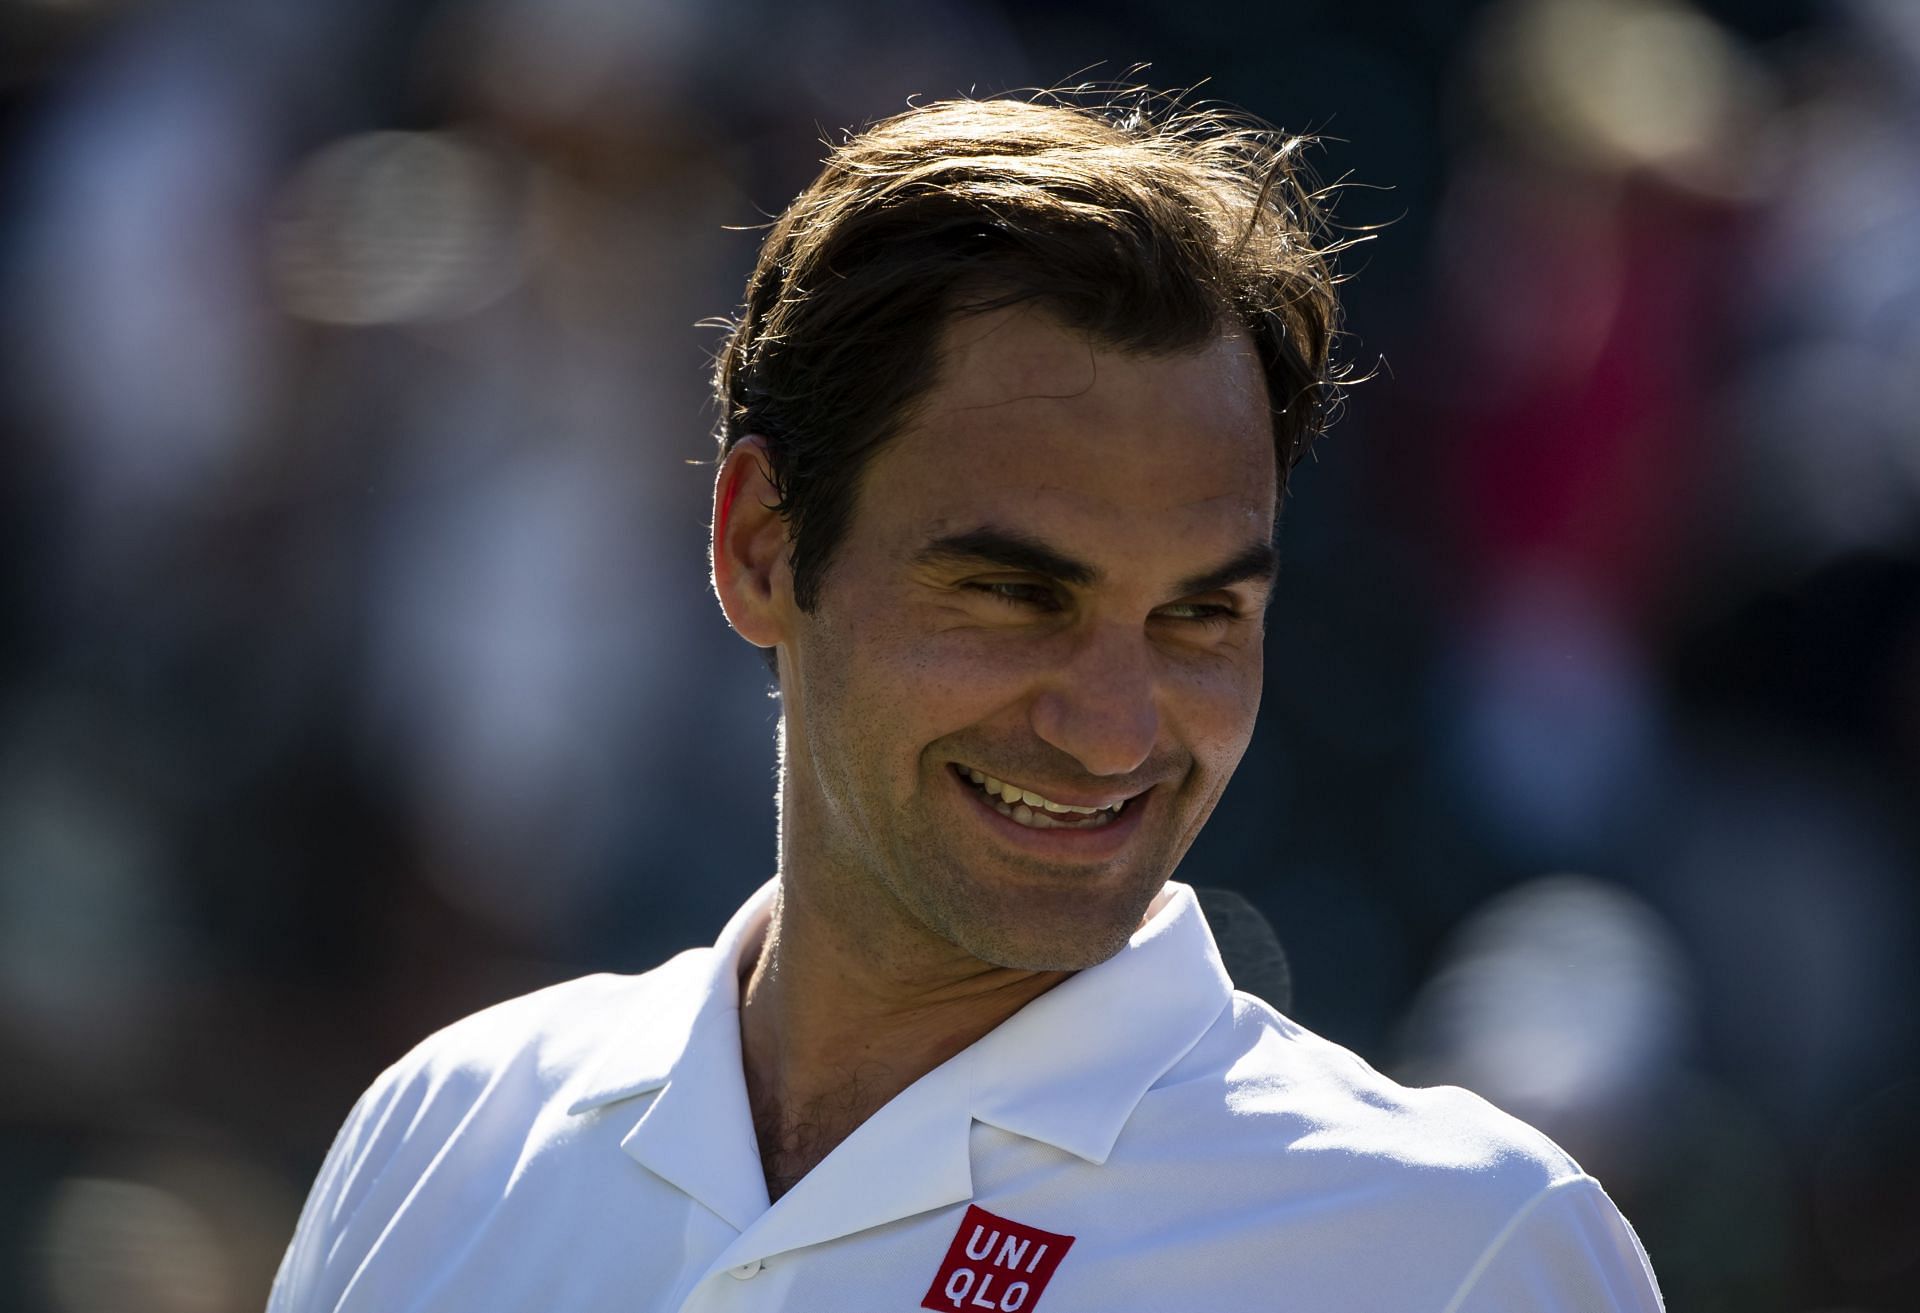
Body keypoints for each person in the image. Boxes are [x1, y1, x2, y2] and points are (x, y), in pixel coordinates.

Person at [269, 92, 1665, 1312]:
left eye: (1199, 615)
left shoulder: (1464, 1254)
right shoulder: (439, 1135)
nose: (1116, 725)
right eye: (1014, 595)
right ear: (761, 545)